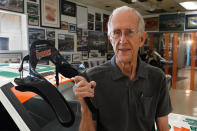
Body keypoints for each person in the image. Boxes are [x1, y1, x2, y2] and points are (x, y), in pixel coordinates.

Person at [73, 6, 172, 131]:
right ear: (110, 38)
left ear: (141, 39)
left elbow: (163, 126)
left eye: (130, 32)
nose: (122, 40)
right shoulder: (91, 79)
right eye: (116, 32)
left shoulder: (157, 77)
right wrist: (84, 106)